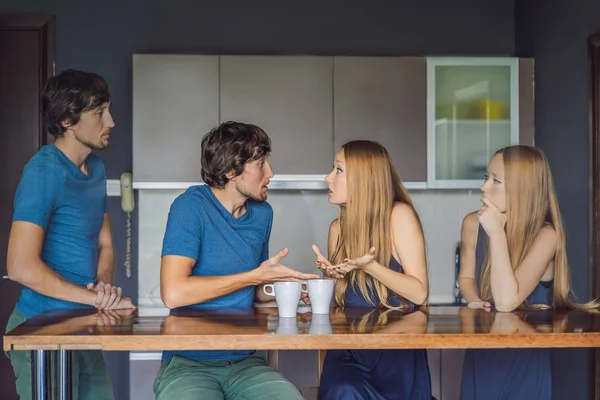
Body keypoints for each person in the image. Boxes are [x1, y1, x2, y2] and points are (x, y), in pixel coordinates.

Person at [154, 121, 319, 400]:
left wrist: (278, 288)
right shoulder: (190, 206)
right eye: (261, 163)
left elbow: (250, 290)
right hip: (188, 363)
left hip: (247, 363)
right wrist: (255, 276)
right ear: (231, 170)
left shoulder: (262, 214)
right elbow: (173, 293)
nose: (270, 173)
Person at [5, 69, 134, 399]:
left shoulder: (97, 169)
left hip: (84, 324)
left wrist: (104, 286)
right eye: (99, 113)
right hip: (42, 329)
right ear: (67, 120)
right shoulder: (43, 171)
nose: (111, 122)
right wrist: (98, 300)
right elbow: (20, 266)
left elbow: (104, 240)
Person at [458, 144, 599, 400]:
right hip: (482, 351)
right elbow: (466, 277)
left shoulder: (546, 236)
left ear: (523, 190)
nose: (483, 187)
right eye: (486, 178)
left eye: (496, 181)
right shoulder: (472, 224)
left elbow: (506, 301)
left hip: (526, 360)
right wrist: (473, 299)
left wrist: (496, 233)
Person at [313, 140, 432, 400]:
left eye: (339, 170)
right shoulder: (337, 229)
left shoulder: (399, 216)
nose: (328, 177)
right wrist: (327, 281)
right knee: (344, 390)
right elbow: (339, 308)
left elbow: (419, 293)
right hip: (348, 354)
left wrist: (371, 267)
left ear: (364, 180)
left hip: (396, 356)